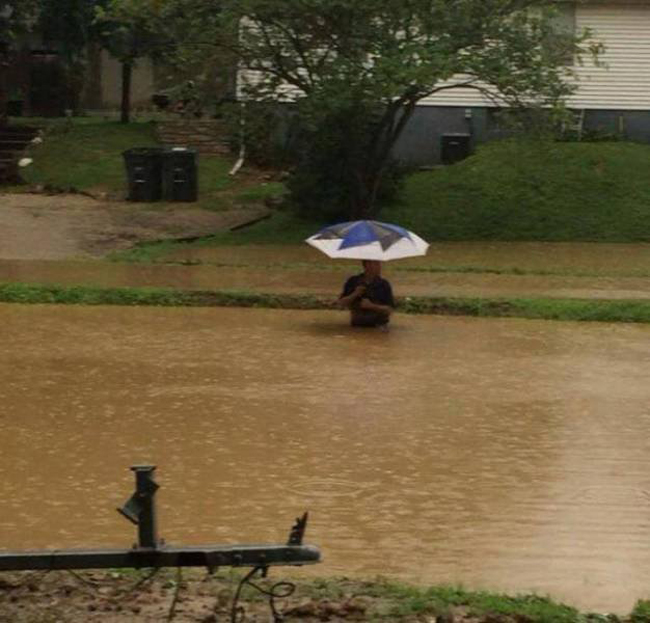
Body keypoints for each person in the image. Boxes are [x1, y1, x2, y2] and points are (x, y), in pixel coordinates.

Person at [337, 260, 395, 328]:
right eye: (376, 264)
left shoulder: (384, 284)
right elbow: (341, 304)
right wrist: (354, 294)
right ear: (368, 265)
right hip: (357, 325)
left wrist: (372, 306)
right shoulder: (353, 281)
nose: (380, 267)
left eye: (379, 264)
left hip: (379, 325)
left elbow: (389, 310)